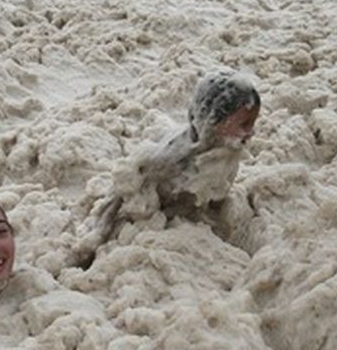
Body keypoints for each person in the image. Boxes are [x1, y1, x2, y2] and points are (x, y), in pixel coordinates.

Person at [72, 70, 261, 266]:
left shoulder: (228, 154)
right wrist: (100, 229)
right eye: (244, 124)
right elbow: (124, 185)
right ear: (212, 122)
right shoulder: (175, 157)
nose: (251, 132)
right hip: (152, 212)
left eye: (253, 123)